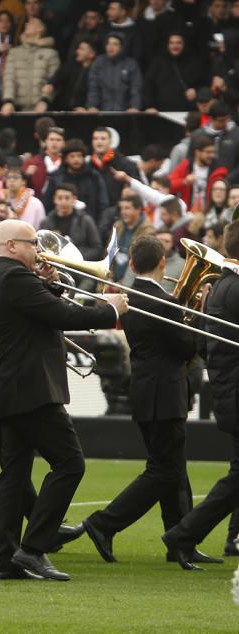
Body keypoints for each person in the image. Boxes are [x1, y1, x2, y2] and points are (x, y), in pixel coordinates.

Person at [0, 219, 127, 581]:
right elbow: (62, 316)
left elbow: (40, 311)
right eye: (32, 243)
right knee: (70, 463)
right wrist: (111, 310)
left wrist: (50, 286)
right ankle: (33, 548)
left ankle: (4, 560)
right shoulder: (14, 278)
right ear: (12, 246)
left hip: (10, 390)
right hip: (31, 391)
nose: (39, 250)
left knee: (14, 476)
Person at [66, 235, 217, 565]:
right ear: (163, 263)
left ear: (132, 264)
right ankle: (104, 524)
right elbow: (187, 348)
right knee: (164, 470)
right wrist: (198, 312)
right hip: (165, 391)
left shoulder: (131, 297)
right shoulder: (165, 302)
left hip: (147, 389)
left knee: (173, 468)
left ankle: (181, 540)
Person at [163, 221, 239, 569]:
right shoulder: (233, 287)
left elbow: (204, 347)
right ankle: (183, 535)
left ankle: (184, 535)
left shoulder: (222, 286)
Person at [0, 17, 58, 114]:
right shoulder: (14, 52)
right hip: (16, 110)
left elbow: (54, 81)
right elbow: (9, 78)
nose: (26, 24)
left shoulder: (51, 54)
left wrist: (45, 100)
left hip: (42, 110)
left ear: (40, 29)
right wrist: (8, 101)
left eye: (31, 23)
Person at [87, 32, 142, 112]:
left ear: (122, 47)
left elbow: (136, 89)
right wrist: (92, 106)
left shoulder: (131, 64)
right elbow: (94, 88)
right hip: (102, 112)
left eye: (115, 44)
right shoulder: (98, 62)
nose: (110, 47)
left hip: (125, 113)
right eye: (108, 44)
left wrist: (135, 107)